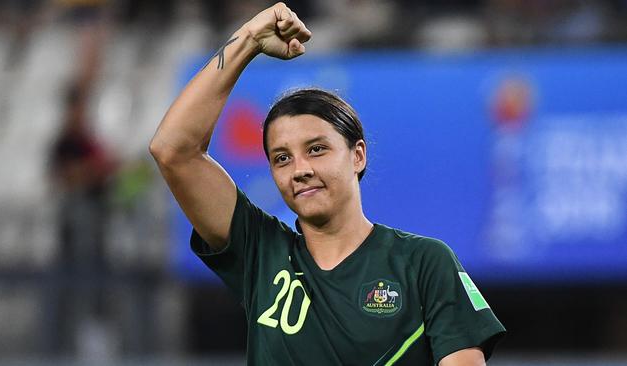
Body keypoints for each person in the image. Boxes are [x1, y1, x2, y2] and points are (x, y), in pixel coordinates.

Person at [150, 3, 505, 365]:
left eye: (316, 149)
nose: (299, 169)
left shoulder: (423, 263)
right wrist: (250, 39)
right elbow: (173, 150)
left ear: (358, 155)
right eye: (282, 158)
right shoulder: (260, 253)